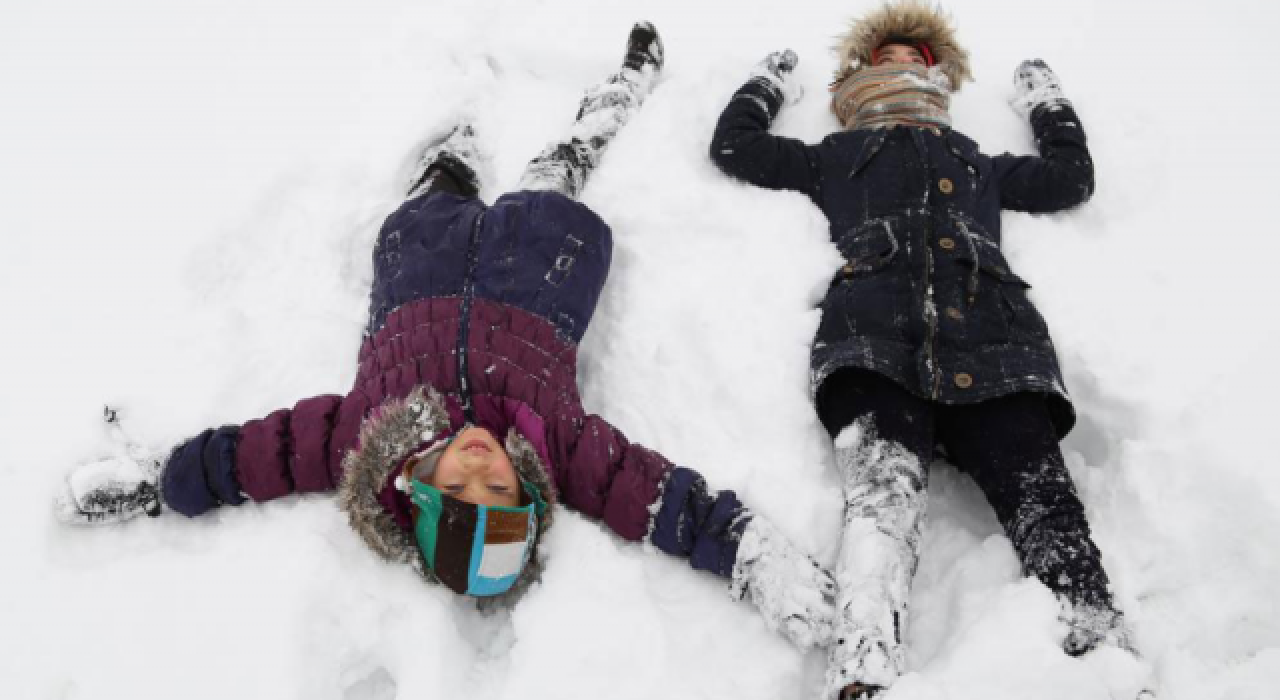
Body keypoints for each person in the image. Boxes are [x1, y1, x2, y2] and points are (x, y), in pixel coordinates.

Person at [54, 22, 838, 648]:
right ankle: (623, 89)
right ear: (527, 488)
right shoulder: (558, 444)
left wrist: (163, 483)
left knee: (434, 193)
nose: (479, 467)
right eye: (501, 489)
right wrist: (747, 553)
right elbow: (657, 496)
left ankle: (452, 159)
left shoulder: (361, 439)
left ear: (415, 491)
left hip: (423, 263)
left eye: (457, 489)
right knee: (560, 167)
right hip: (535, 265)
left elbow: (256, 458)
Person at [709, 2, 1141, 698]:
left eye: (919, 61)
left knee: (1045, 504)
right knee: (882, 505)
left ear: (939, 79)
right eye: (890, 59)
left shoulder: (975, 160)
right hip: (873, 342)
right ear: (863, 75)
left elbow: (1069, 179)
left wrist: (1048, 104)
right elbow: (736, 149)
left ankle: (1106, 662)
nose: (906, 66)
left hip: (995, 342)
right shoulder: (836, 157)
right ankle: (862, 672)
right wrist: (767, 83)